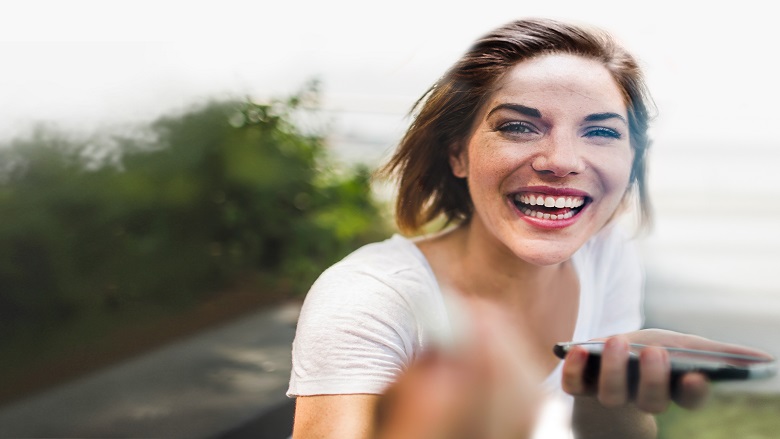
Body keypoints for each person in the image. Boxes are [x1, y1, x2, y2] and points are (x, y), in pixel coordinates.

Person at [286, 17, 771, 439]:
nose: (561, 161)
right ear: (458, 153)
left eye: (601, 131)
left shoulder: (608, 255)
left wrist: (608, 392)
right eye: (518, 126)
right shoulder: (367, 300)